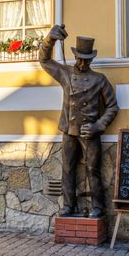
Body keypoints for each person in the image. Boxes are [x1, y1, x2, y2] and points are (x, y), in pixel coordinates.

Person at [39, 25, 119, 218]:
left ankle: (98, 208)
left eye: (86, 60)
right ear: (75, 57)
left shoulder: (99, 79)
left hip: (89, 131)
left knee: (93, 170)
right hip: (68, 129)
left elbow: (112, 107)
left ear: (91, 59)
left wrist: (98, 126)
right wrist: (49, 40)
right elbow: (44, 60)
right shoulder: (65, 73)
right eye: (80, 59)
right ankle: (68, 206)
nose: (82, 63)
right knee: (67, 169)